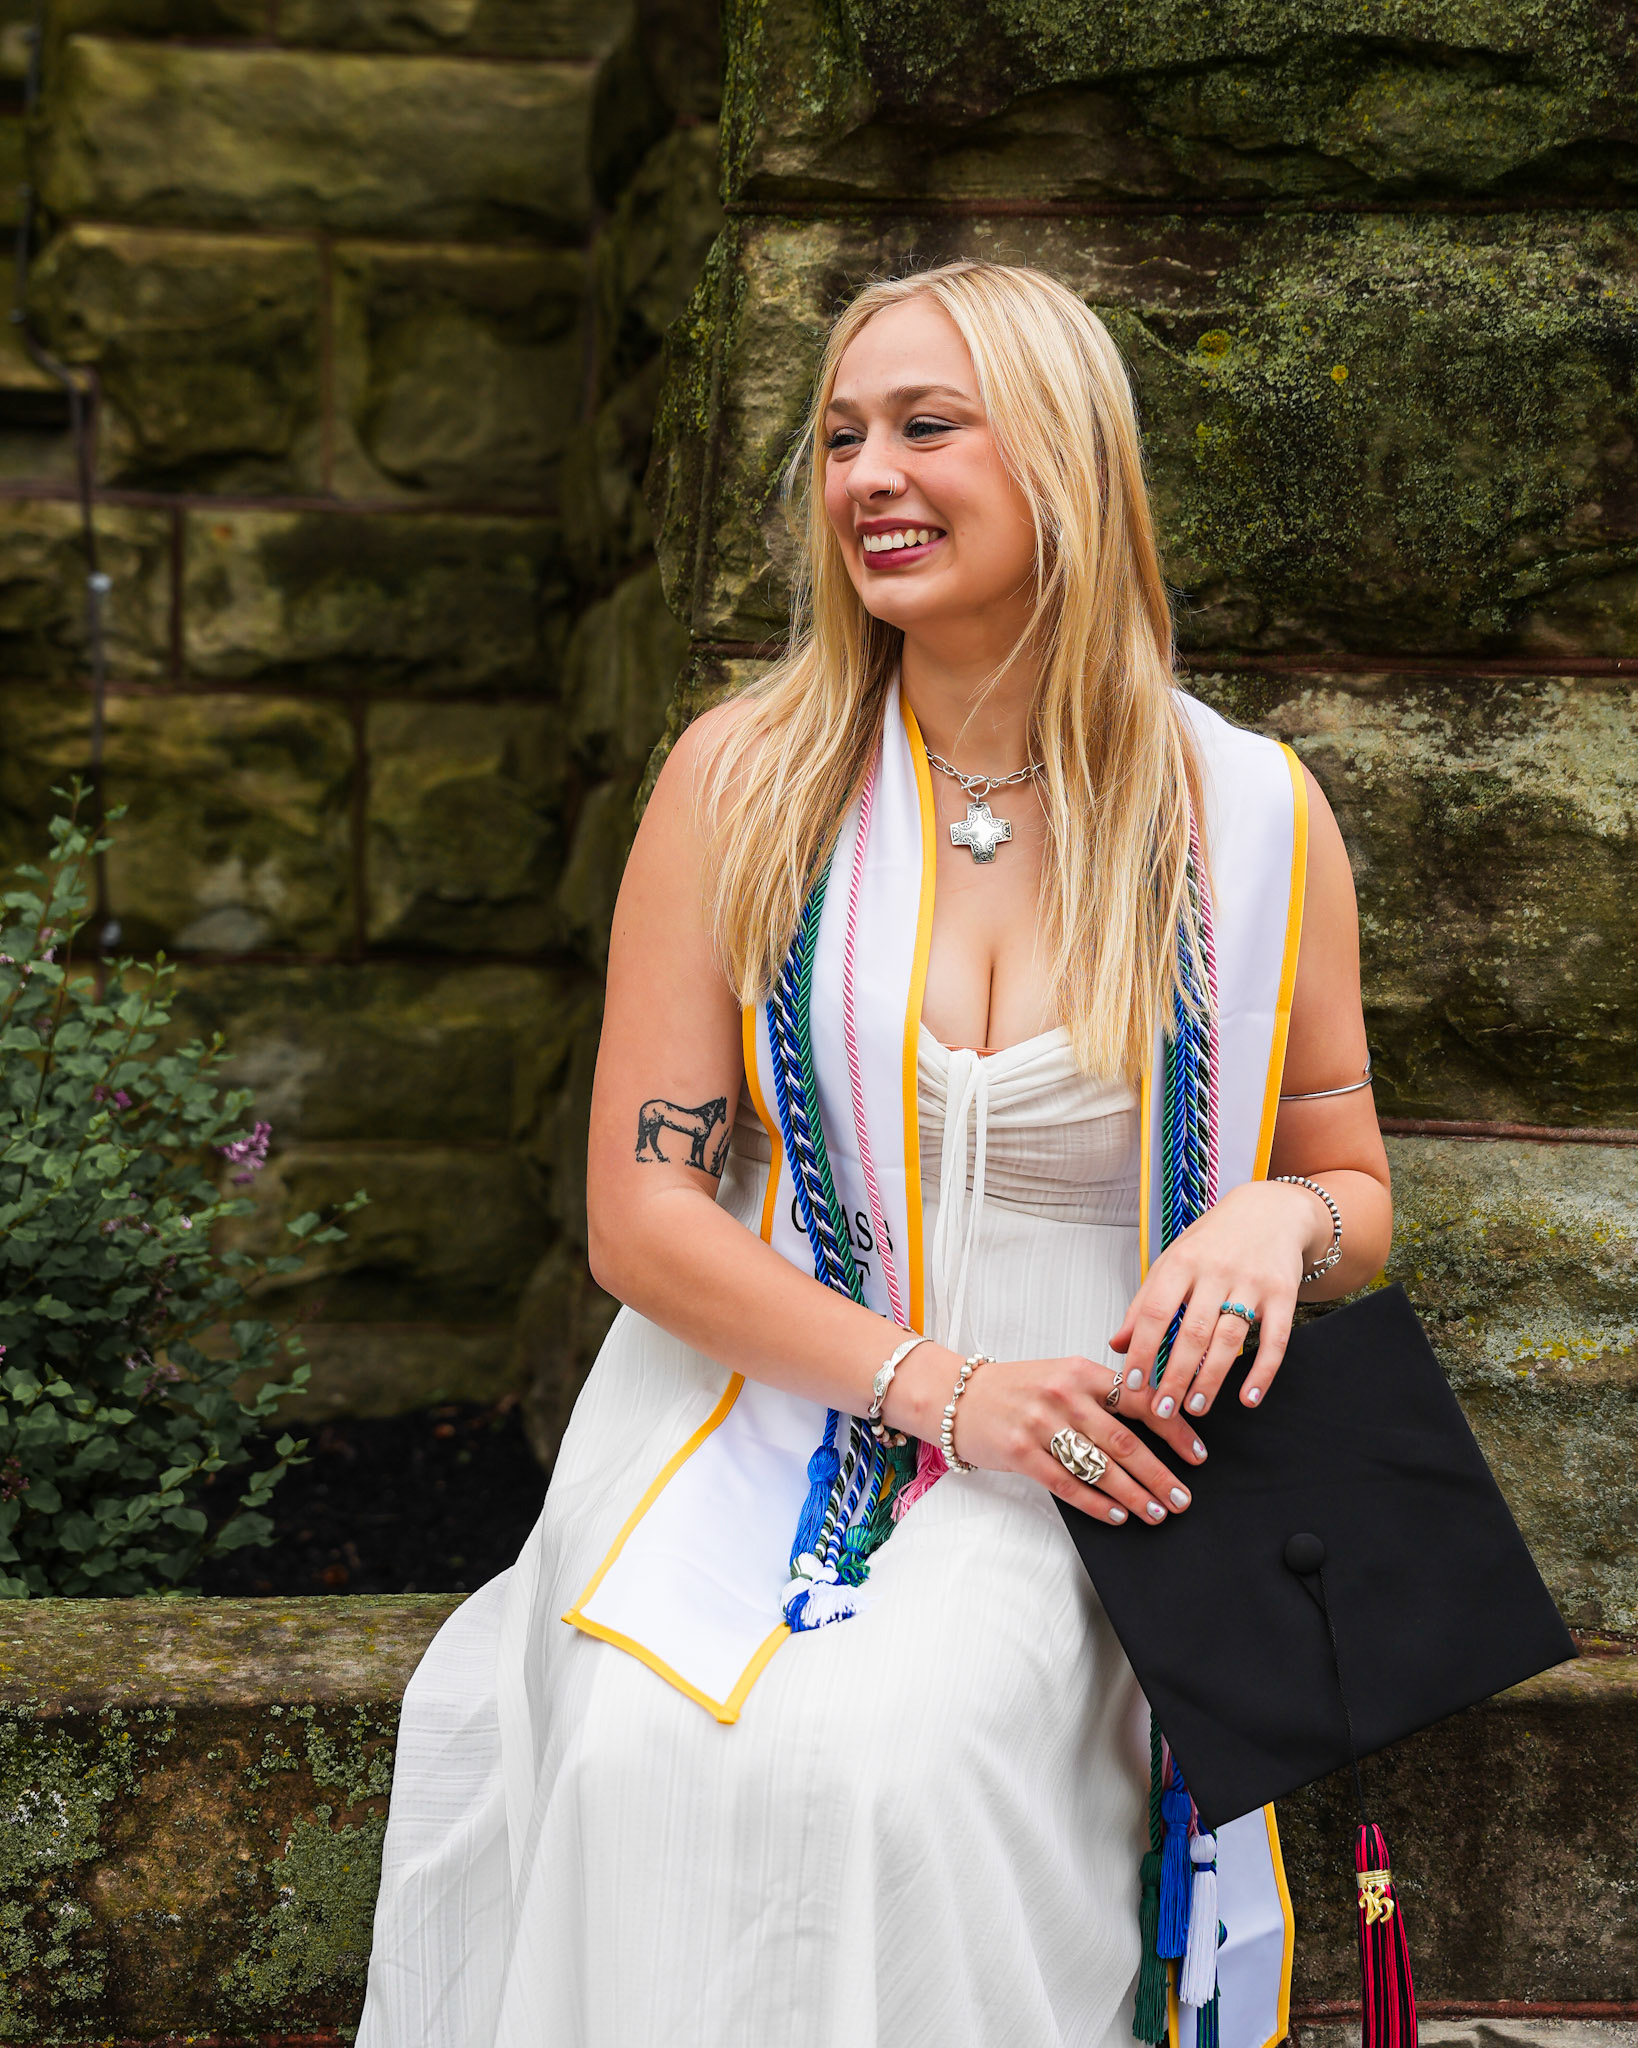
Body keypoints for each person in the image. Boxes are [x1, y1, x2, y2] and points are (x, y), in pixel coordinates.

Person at [356, 261, 1392, 2048]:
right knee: (631, 1753)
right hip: (754, 1399)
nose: (867, 477)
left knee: (888, 1766)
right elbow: (639, 1213)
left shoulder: (1242, 814)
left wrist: (1273, 1222)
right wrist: (938, 1390)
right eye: (839, 437)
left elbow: (1352, 1192)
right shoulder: (744, 778)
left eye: (925, 427)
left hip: (1090, 1456)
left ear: (1061, 459)